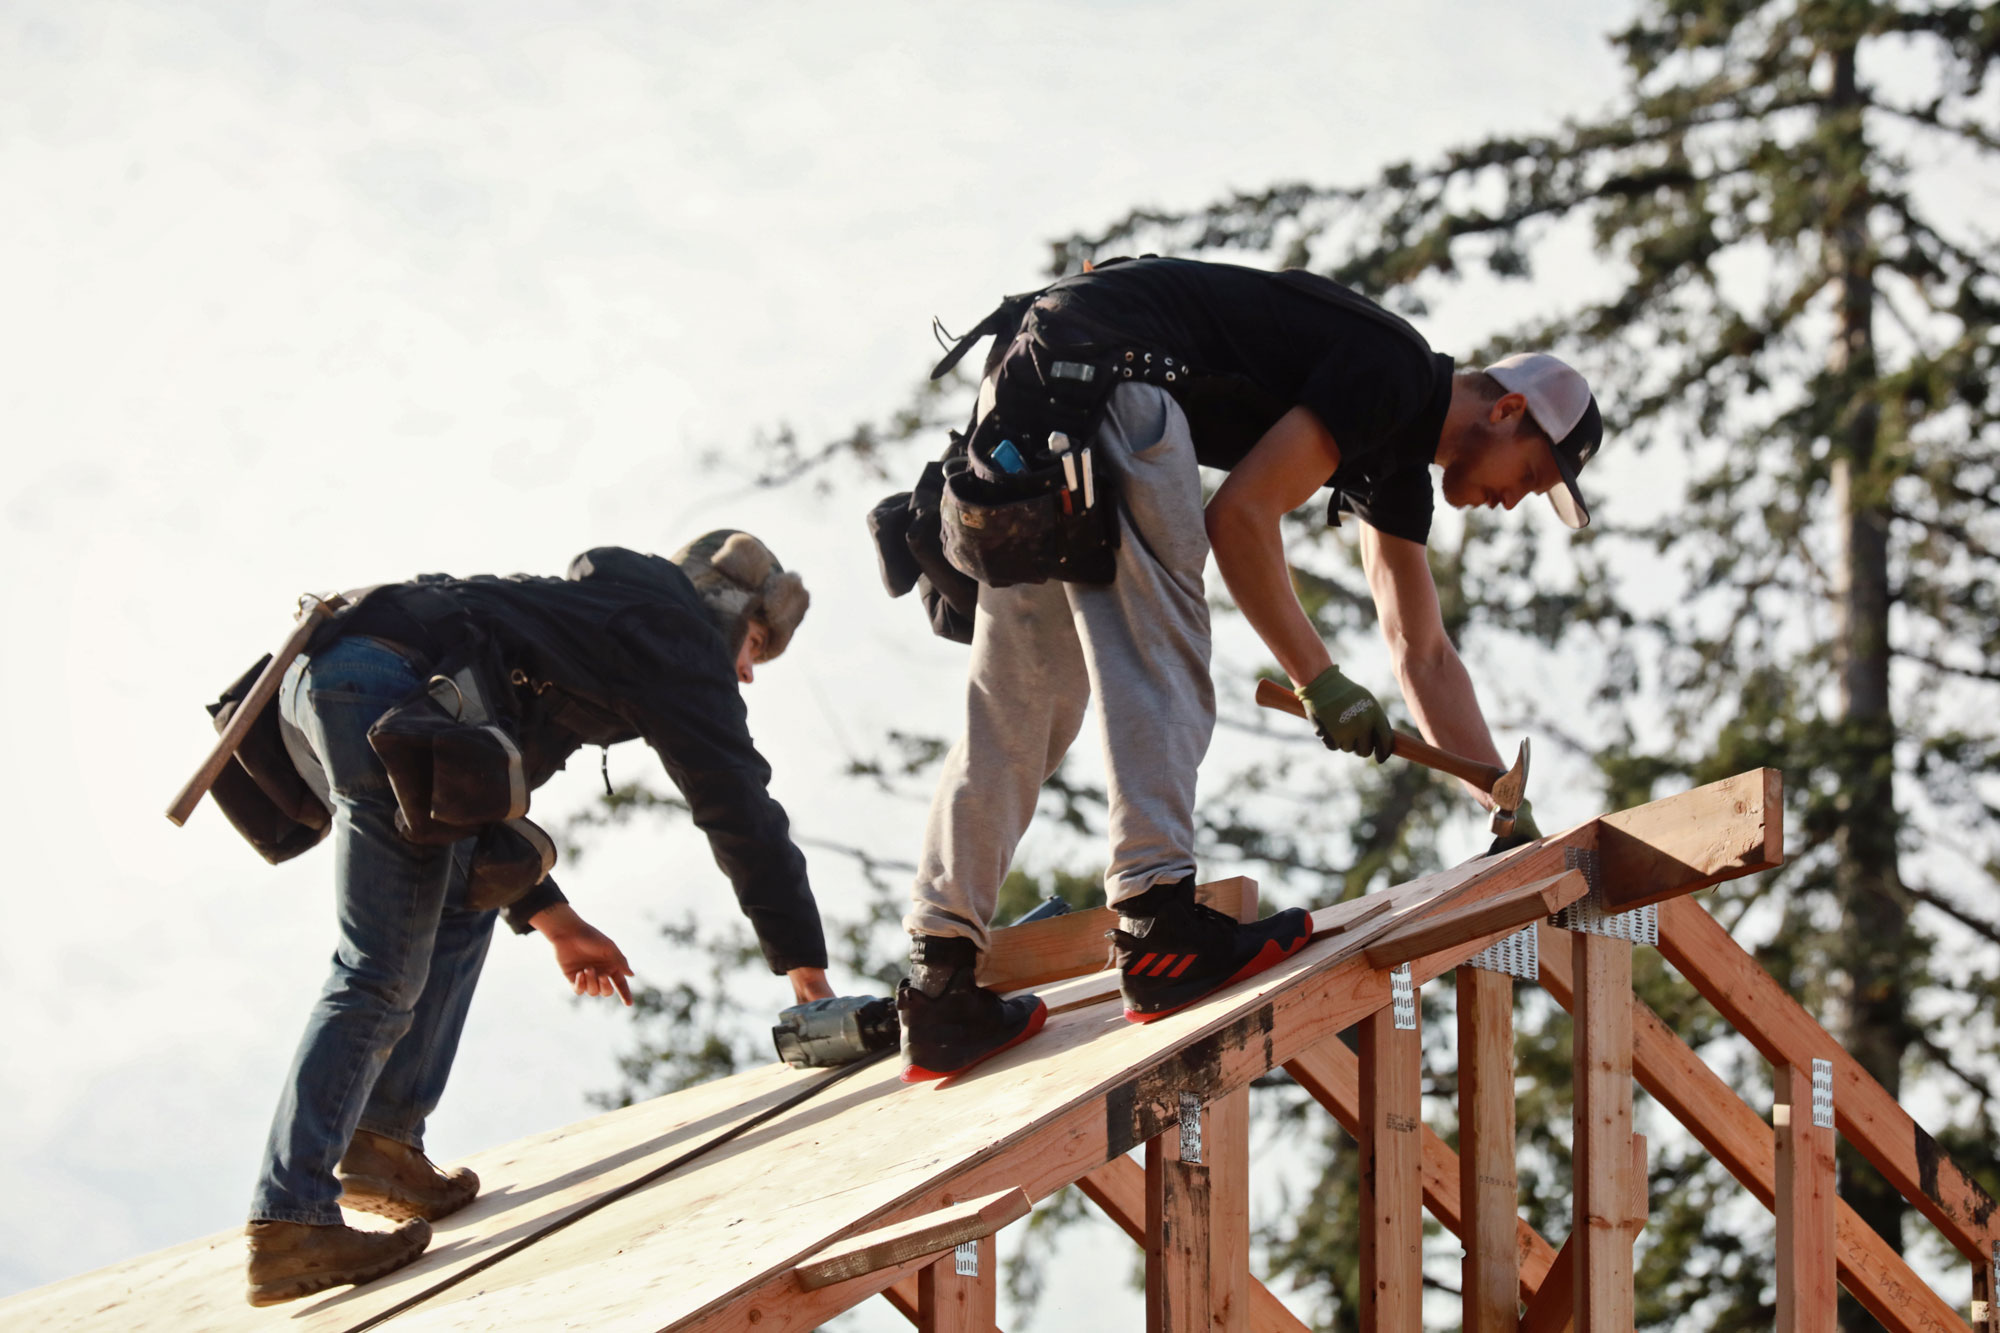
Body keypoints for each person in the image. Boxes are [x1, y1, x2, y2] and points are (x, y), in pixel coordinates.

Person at [887, 256, 1603, 1081]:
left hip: (1034, 391)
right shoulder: (1396, 372)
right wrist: (1318, 677)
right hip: (1115, 384)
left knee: (1023, 704)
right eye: (1533, 474)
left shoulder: (1397, 459)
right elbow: (1241, 517)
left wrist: (1498, 799)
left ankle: (939, 981)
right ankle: (1158, 923)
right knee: (1161, 653)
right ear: (1507, 410)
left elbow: (1423, 652)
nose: (1516, 500)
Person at [239, 532, 830, 1306]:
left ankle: (380, 1143)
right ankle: (289, 1216)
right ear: (725, 610)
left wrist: (555, 917)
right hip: (385, 687)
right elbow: (738, 806)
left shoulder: (591, 621)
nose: (748, 670)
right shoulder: (674, 633)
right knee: (378, 966)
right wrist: (809, 976)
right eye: (754, 643)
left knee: (464, 892)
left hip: (340, 677)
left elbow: (470, 802)